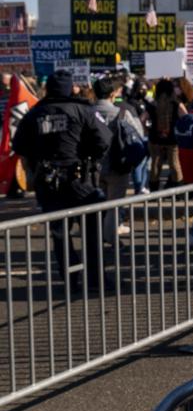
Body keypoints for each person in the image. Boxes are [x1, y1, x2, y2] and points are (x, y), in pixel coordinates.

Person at [13, 69, 112, 278]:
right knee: (91, 231)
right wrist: (89, 156)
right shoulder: (82, 110)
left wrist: (39, 156)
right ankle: (95, 278)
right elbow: (104, 139)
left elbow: (19, 144)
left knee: (59, 233)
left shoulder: (35, 113)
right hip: (80, 179)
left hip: (49, 181)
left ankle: (71, 278)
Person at [147, 78, 185, 190]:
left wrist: (147, 129)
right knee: (175, 164)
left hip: (155, 138)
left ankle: (154, 191)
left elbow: (142, 119)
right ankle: (179, 191)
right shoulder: (177, 103)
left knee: (155, 164)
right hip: (173, 138)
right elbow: (186, 117)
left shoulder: (153, 103)